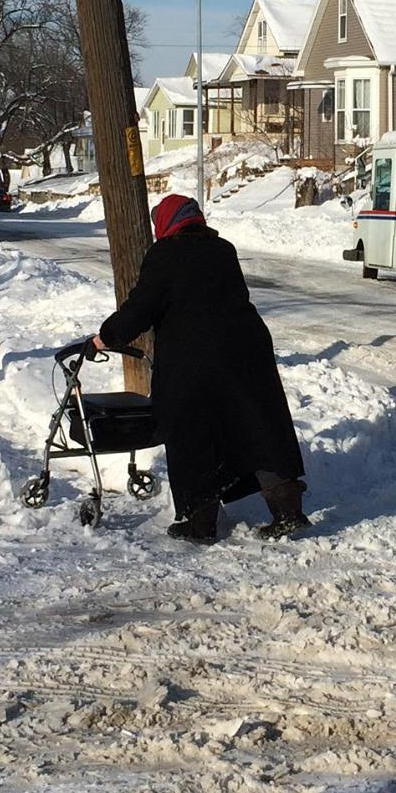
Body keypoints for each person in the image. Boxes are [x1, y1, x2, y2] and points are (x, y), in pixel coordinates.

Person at [95, 194, 309, 544]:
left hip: (193, 360)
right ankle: (288, 512)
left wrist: (106, 336)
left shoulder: (164, 255)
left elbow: (140, 309)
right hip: (247, 352)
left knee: (192, 434)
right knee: (256, 426)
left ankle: (200, 522)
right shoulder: (223, 249)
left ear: (165, 223)